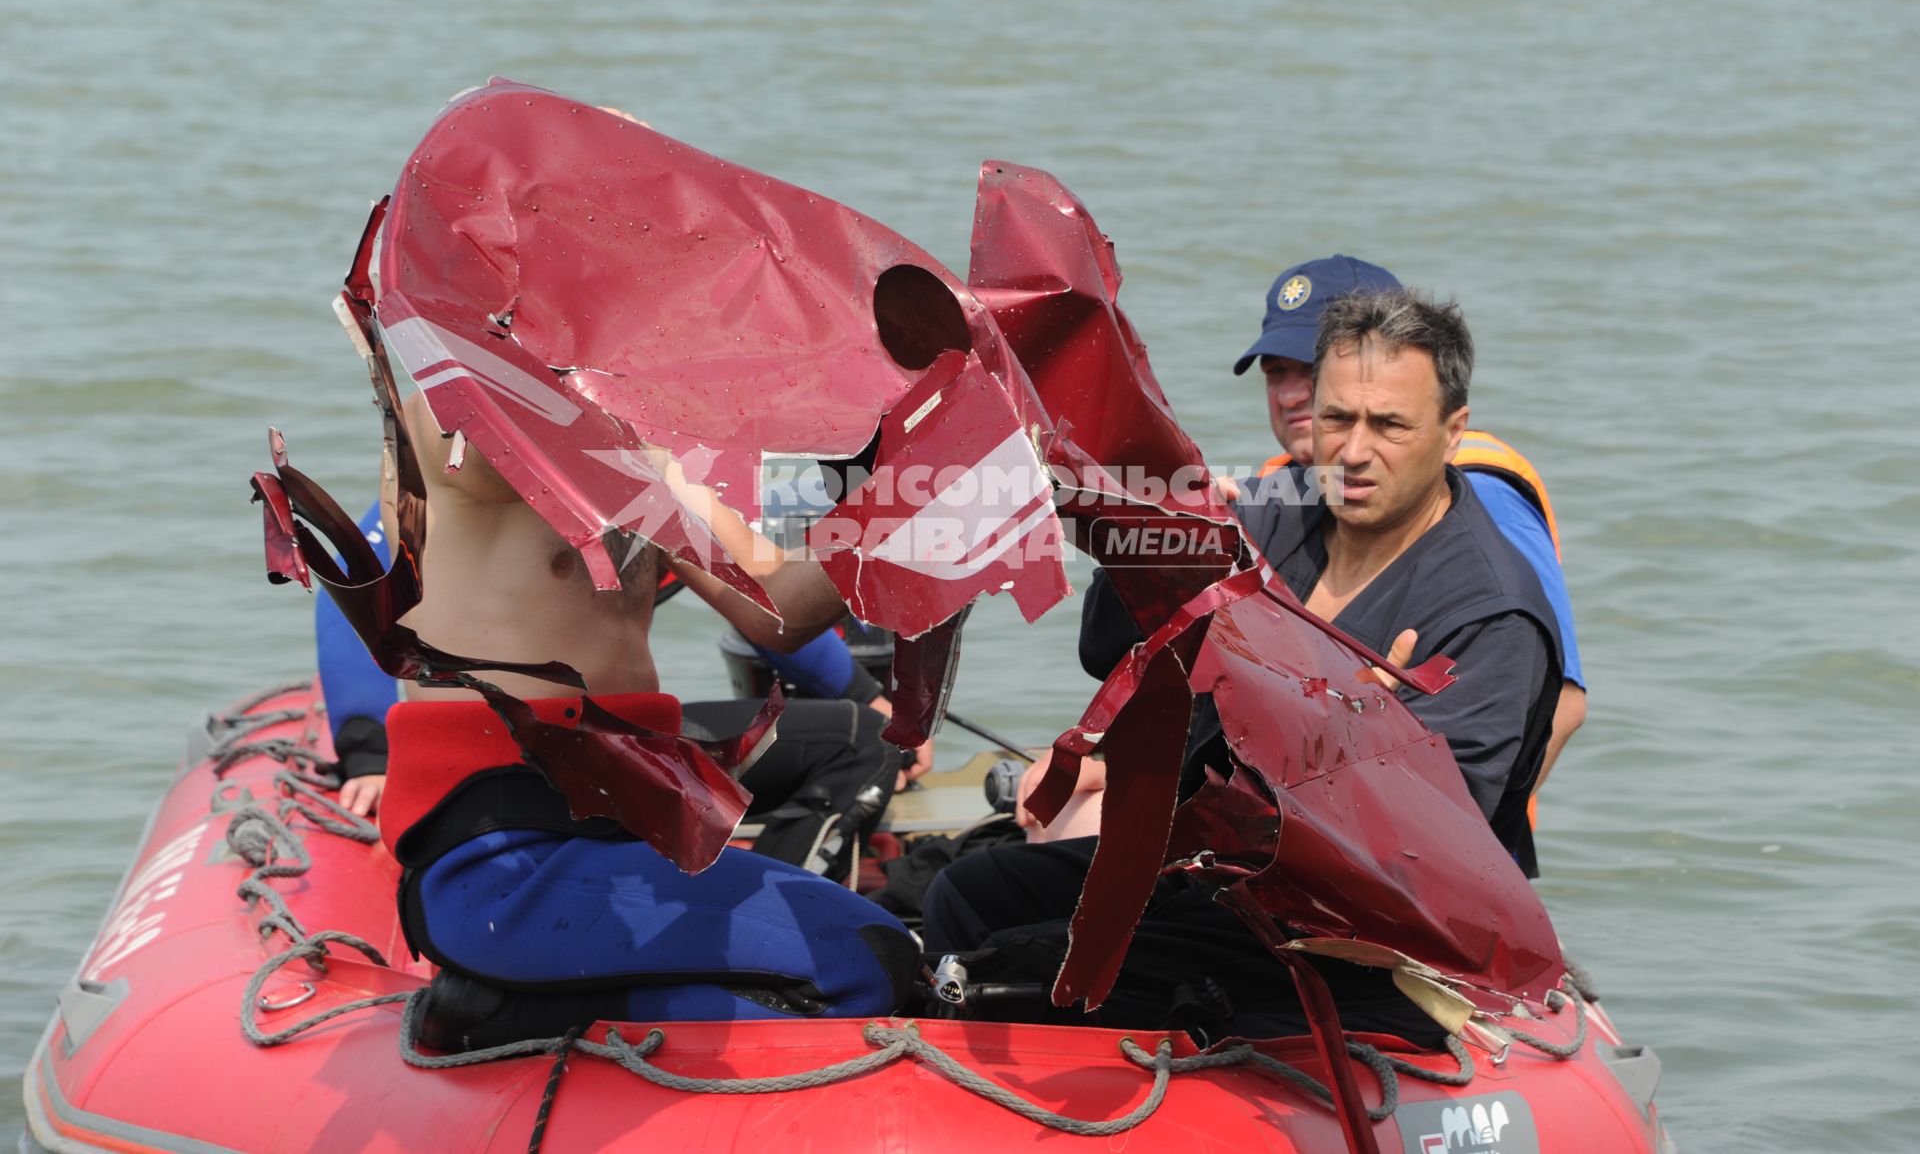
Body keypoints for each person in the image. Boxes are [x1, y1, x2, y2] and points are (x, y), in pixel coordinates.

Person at [920, 288, 1564, 1041]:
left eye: (1389, 425)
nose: (1353, 452)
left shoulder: (1491, 612)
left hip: (1363, 944)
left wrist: (1348, 731)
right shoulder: (1279, 511)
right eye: (1336, 419)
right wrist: (1154, 540)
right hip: (1218, 871)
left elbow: (1419, 865)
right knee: (967, 892)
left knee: (1011, 967)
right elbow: (1105, 649)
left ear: (1454, 432)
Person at [371, 391, 915, 1050]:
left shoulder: (640, 444)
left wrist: (921, 489)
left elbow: (778, 610)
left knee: (888, 953)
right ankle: (516, 1013)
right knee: (866, 964)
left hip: (621, 835)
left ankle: (557, 1004)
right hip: (501, 862)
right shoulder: (456, 406)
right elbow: (467, 429)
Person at [314, 501, 906, 880]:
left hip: (626, 758)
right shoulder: (479, 449)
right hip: (502, 776)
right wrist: (365, 751)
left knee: (864, 740)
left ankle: (784, 893)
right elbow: (354, 573)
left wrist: (861, 690)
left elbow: (767, 601)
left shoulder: (651, 463)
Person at [1230, 256, 1587, 790]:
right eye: (1275, 371)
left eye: (1307, 369)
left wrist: (1495, 842)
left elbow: (1562, 698)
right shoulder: (1279, 495)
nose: (1290, 395)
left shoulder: (1482, 494)